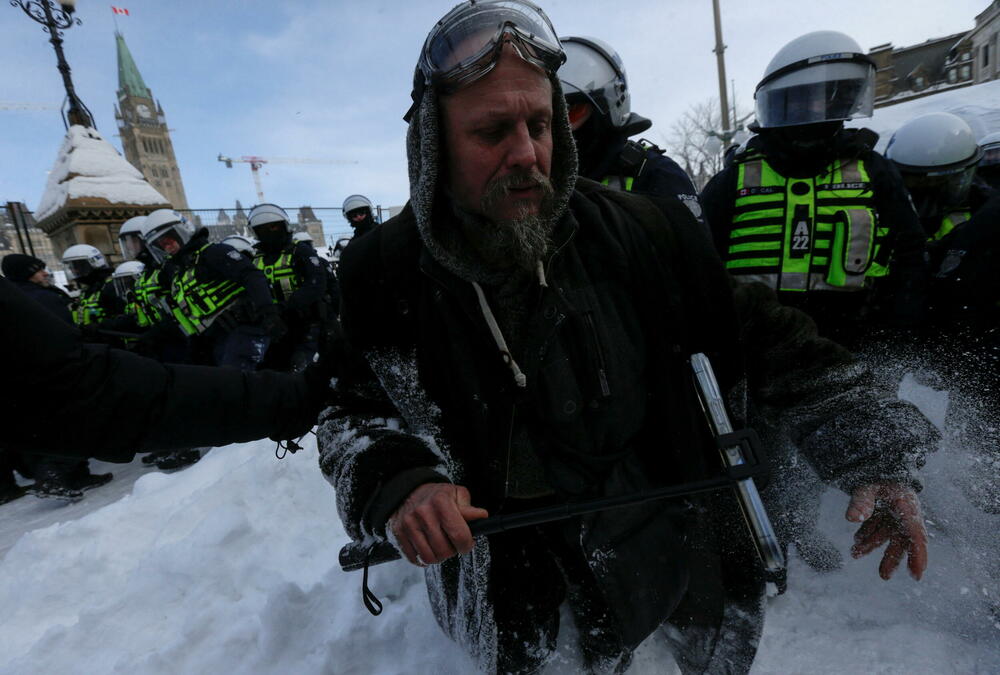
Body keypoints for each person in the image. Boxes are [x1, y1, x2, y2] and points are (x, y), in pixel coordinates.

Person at [318, 3, 936, 673]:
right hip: (514, 586)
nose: (526, 154)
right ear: (434, 144)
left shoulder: (645, 231)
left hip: (673, 557)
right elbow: (349, 413)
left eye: (539, 125)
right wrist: (401, 484)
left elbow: (775, 342)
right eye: (492, 131)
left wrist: (872, 451)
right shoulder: (382, 272)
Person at [700, 30, 928, 351]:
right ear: (780, 101)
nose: (817, 108)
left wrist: (896, 338)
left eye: (829, 97)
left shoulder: (874, 171)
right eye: (805, 98)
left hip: (852, 343)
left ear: (846, 99)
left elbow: (909, 255)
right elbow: (699, 262)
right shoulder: (734, 178)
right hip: (752, 347)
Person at [0, 274, 330, 463]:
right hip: (199, 345)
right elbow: (90, 392)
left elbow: (91, 391)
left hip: (247, 335)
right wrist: (291, 397)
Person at [1, 253, 113, 500]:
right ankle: (60, 474)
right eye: (38, 270)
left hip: (24, 376)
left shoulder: (12, 298)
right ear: (26, 274)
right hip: (55, 369)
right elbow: (63, 333)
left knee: (41, 425)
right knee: (71, 420)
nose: (45, 273)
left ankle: (63, 474)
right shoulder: (42, 298)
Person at [558, 35, 702, 219]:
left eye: (571, 112)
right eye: (549, 117)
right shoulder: (537, 178)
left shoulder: (657, 174)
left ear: (610, 107)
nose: (559, 127)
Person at [142, 209, 283, 372]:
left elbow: (251, 276)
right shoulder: (178, 276)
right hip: (211, 341)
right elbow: (181, 314)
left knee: (233, 379)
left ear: (182, 231)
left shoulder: (213, 253)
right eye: (162, 245)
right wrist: (154, 335)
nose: (168, 248)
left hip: (243, 330)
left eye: (170, 240)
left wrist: (268, 312)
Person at [248, 204, 328, 372]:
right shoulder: (255, 259)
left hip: (305, 323)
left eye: (273, 226)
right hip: (273, 327)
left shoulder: (300, 251)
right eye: (262, 229)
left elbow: (317, 284)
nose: (269, 232)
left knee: (303, 370)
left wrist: (285, 307)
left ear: (283, 226)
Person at [61, 243, 125, 331]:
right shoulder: (88, 289)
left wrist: (100, 327)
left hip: (112, 337)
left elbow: (125, 317)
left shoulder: (110, 286)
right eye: (72, 267)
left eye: (78, 266)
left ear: (94, 263)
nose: (74, 270)